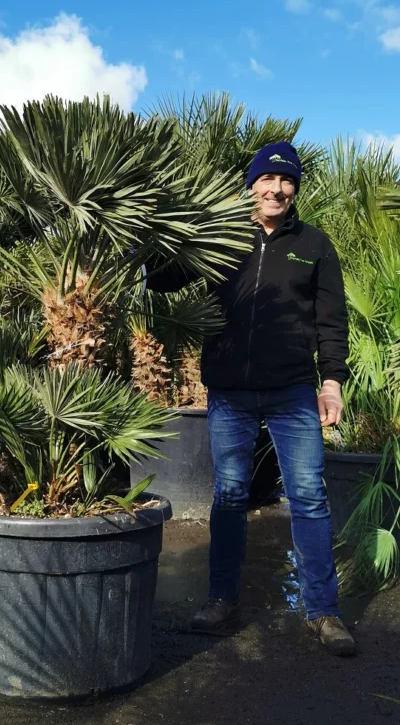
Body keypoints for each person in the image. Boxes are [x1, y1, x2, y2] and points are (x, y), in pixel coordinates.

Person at [146, 141, 355, 656]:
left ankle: (323, 612)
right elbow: (161, 278)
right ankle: (221, 600)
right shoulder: (221, 237)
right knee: (230, 495)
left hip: (292, 391)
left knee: (307, 495)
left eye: (286, 182)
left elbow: (332, 321)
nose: (276, 189)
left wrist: (332, 381)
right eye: (268, 180)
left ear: (294, 189)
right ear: (251, 185)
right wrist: (164, 228)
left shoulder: (314, 244)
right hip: (230, 393)